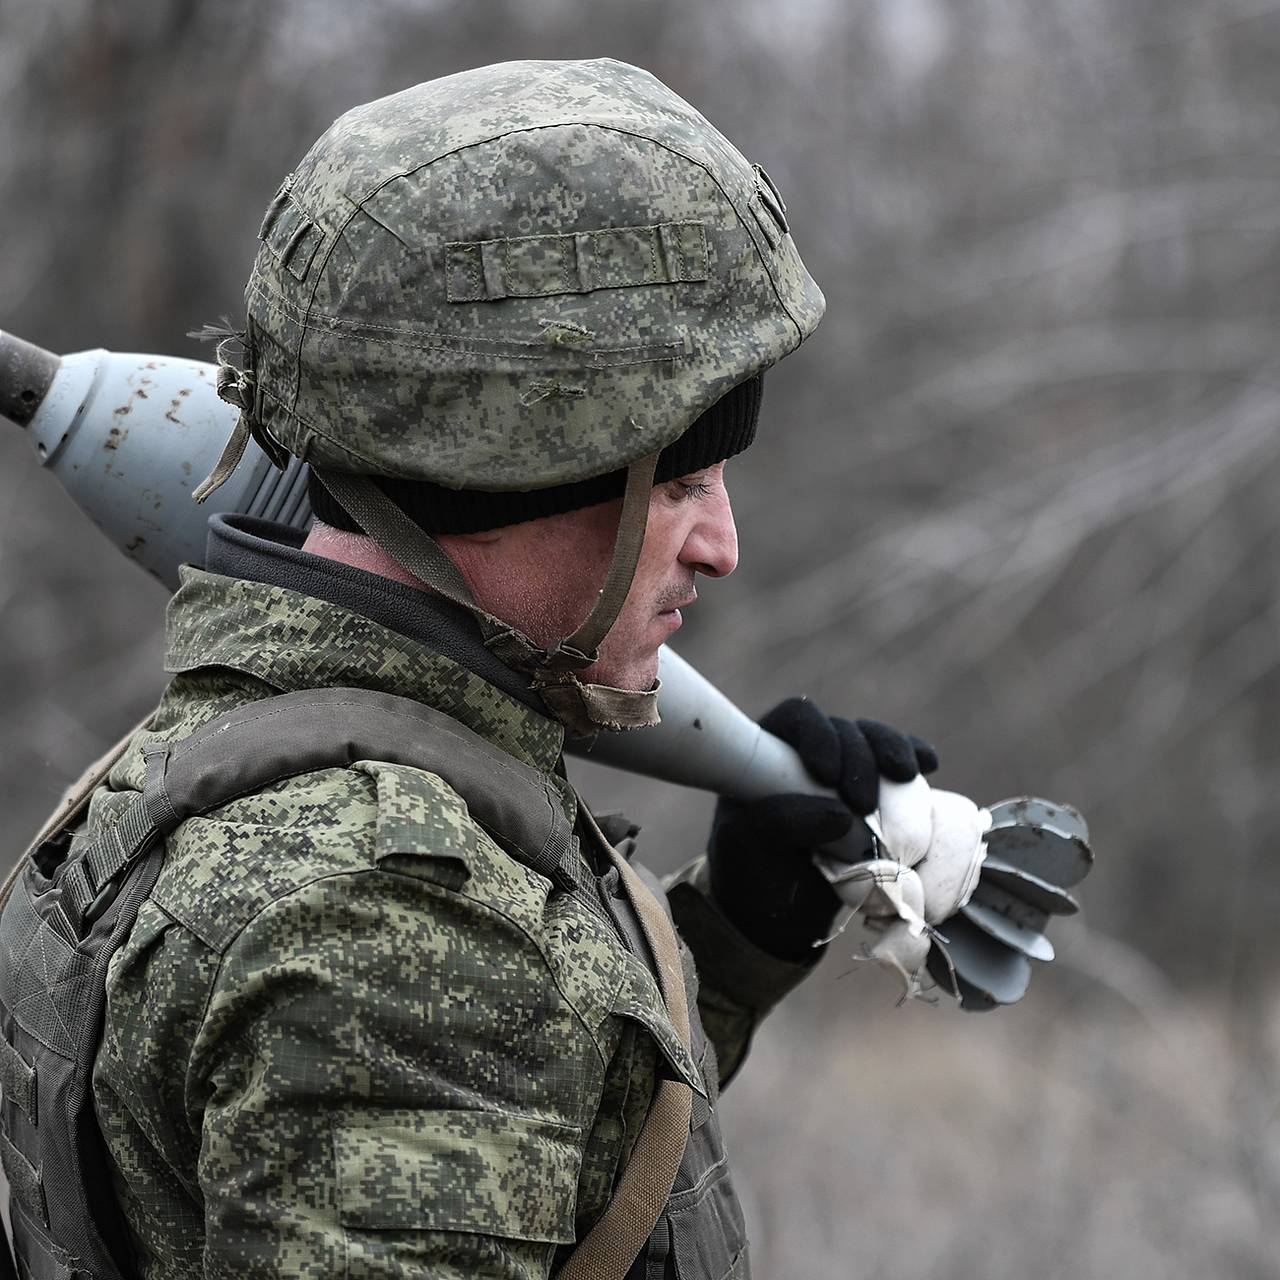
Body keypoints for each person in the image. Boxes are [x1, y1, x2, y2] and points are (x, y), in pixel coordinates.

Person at [73, 59, 937, 1279]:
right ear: (518, 471)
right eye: (678, 480)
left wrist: (728, 944)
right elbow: (431, 1032)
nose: (722, 546)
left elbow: (529, 1162)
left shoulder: (236, 741)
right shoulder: (387, 923)